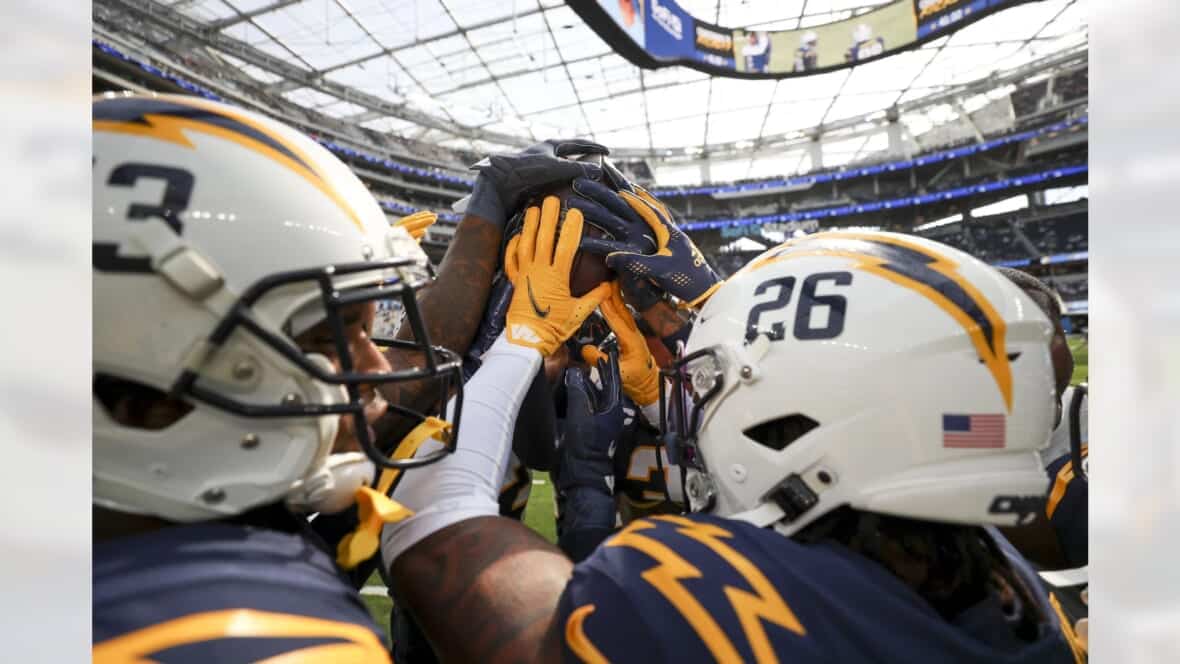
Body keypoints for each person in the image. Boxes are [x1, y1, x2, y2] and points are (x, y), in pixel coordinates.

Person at [379, 171, 1076, 663]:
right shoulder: (1006, 576)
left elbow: (447, 546)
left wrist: (515, 347)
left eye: (711, 381)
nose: (695, 400)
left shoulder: (721, 594)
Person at [92, 93, 601, 660]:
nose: (377, 368)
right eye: (321, 340)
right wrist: (449, 511)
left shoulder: (151, 514)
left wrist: (488, 204)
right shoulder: (243, 637)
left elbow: (416, 362)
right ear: (139, 401)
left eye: (363, 329)